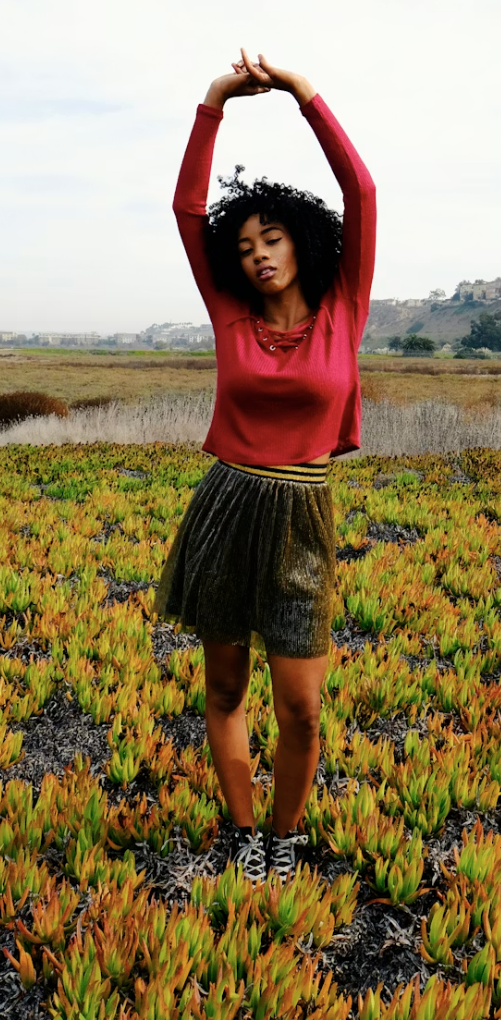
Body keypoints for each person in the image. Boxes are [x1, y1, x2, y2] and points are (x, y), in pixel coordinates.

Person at [153, 48, 376, 885]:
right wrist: (212, 101)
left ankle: (285, 836)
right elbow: (186, 210)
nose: (257, 255)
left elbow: (363, 194)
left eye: (272, 237)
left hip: (303, 517)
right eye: (243, 246)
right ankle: (244, 832)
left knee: (304, 711)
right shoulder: (230, 315)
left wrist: (303, 95)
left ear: (301, 240)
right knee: (224, 691)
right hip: (227, 507)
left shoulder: (344, 308)